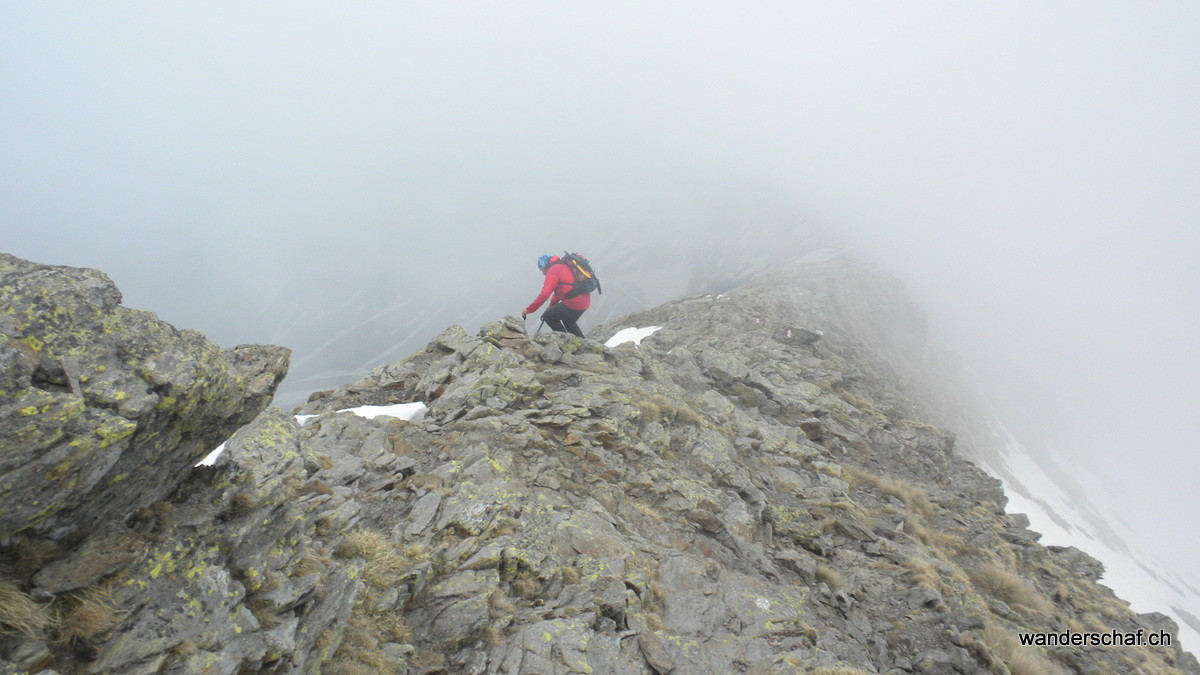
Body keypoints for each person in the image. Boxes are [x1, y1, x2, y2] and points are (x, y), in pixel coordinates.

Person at [522, 253, 590, 337]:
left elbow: (544, 294)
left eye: (541, 269)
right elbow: (559, 292)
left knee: (548, 316)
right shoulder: (561, 266)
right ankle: (582, 344)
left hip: (574, 302)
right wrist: (551, 306)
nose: (543, 273)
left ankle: (566, 342)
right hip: (584, 302)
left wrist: (528, 310)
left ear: (544, 265)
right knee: (569, 322)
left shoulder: (553, 271)